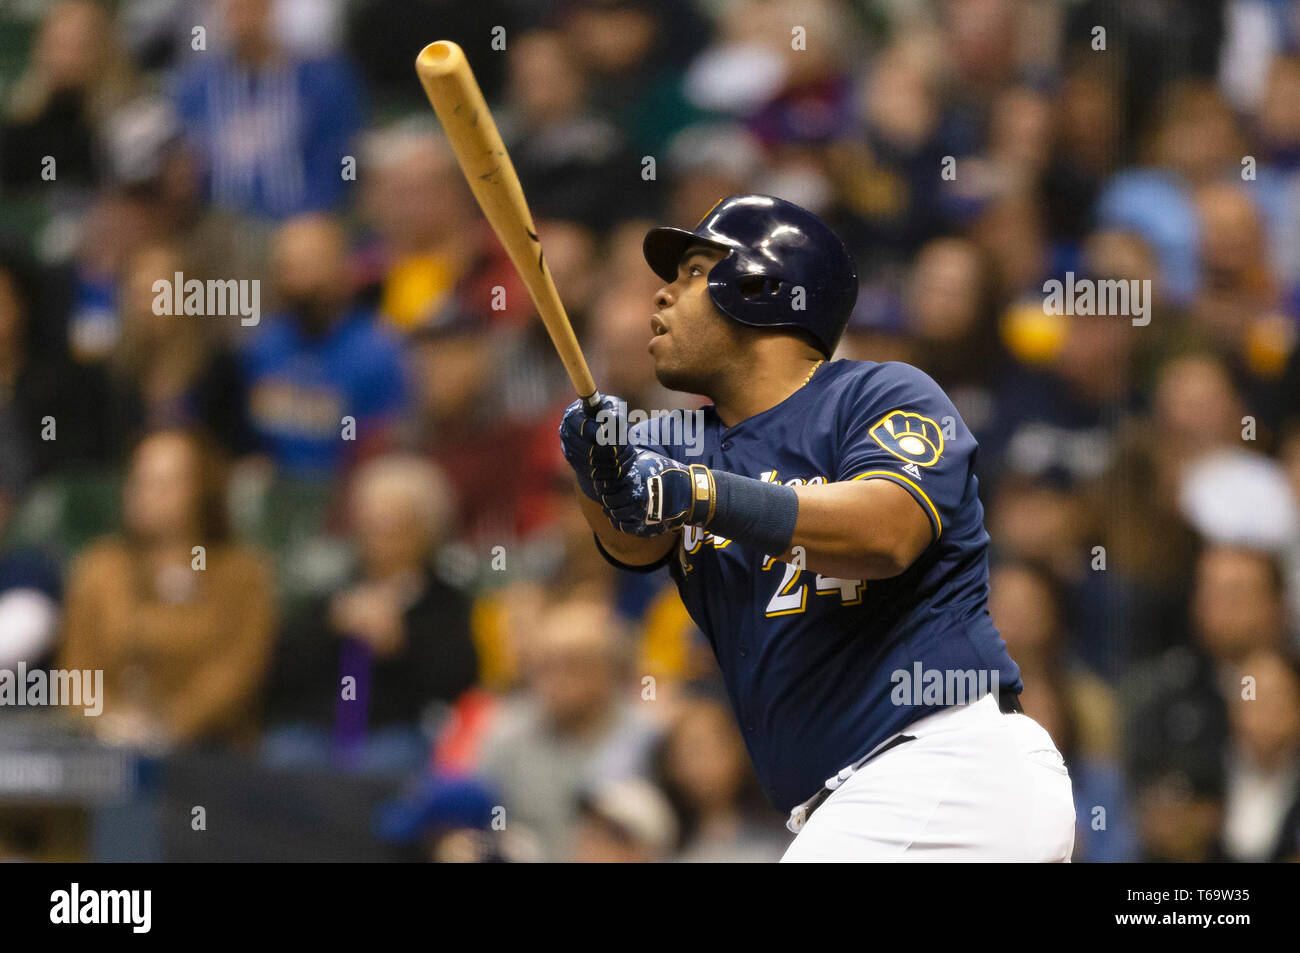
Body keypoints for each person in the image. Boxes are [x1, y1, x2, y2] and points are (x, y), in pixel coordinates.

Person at [558, 194, 1075, 861]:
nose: (661, 295)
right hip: (860, 800)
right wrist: (594, 469)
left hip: (946, 761)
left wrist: (697, 491)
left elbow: (886, 531)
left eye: (690, 272)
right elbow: (633, 535)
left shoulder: (878, 394)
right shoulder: (679, 440)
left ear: (762, 288)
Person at [262, 454, 478, 775]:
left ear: (426, 531)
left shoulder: (443, 602)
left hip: (399, 731)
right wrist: (330, 627)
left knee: (385, 764)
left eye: (395, 527)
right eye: (371, 525)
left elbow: (458, 683)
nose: (380, 540)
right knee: (286, 754)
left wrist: (401, 643)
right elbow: (282, 670)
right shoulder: (334, 591)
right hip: (319, 729)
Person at [59, 428, 275, 748]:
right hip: (109, 746)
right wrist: (107, 718)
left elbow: (238, 671)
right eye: (139, 480)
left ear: (201, 490)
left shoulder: (241, 573)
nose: (146, 493)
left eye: (164, 482)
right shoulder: (100, 568)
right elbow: (75, 671)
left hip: (209, 751)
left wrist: (170, 725)